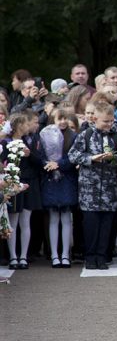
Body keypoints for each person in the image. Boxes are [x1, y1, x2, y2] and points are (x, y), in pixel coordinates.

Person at [68, 102, 117, 270]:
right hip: (89, 191)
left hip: (109, 190)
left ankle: (102, 256)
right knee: (91, 225)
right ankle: (90, 257)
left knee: (106, 226)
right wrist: (92, 158)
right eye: (105, 121)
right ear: (95, 119)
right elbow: (73, 155)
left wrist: (112, 158)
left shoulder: (116, 137)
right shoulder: (85, 135)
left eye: (111, 121)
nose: (109, 124)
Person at [1, 113, 41, 270]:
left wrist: (29, 154)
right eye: (25, 124)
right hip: (13, 183)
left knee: (26, 221)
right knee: (13, 221)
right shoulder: (6, 143)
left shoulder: (28, 142)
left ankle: (23, 255)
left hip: (28, 183)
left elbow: (39, 161)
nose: (28, 126)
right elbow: (2, 161)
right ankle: (13, 256)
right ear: (18, 126)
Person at [40, 110, 79, 268]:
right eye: (59, 118)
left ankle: (65, 254)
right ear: (52, 119)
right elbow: (40, 154)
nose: (63, 122)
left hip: (67, 179)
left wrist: (60, 164)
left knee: (66, 217)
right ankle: (54, 254)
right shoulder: (44, 134)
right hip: (51, 179)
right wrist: (48, 163)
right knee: (53, 217)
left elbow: (74, 155)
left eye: (65, 118)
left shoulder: (73, 136)